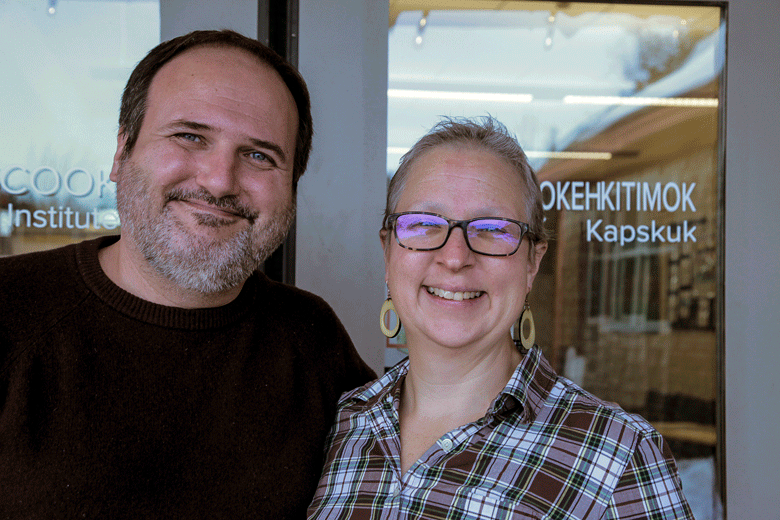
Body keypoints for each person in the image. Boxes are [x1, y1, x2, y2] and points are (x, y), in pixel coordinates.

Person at [0, 30, 375, 519]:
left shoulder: (313, 340)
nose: (219, 180)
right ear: (122, 153)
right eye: (190, 136)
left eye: (260, 155)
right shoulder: (8, 308)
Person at [307, 117, 693, 519]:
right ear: (389, 252)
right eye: (424, 224)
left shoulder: (619, 456)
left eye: (492, 229)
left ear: (532, 263)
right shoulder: (345, 421)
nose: (455, 257)